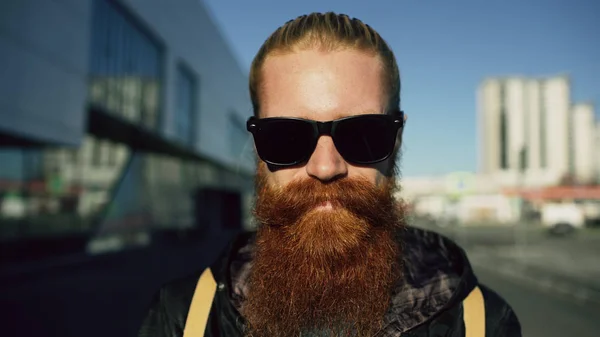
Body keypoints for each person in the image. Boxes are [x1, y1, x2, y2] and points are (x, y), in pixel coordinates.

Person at [138, 12, 521, 337]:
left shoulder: (481, 323)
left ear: (397, 139)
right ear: (257, 145)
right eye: (286, 136)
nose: (325, 167)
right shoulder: (186, 316)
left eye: (363, 135)